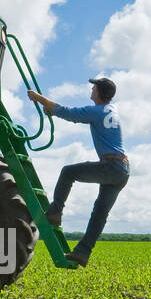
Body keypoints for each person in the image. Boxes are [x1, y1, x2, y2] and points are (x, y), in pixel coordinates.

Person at [26, 76, 129, 266]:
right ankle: (82, 253)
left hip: (111, 166)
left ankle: (55, 212)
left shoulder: (96, 112)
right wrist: (51, 110)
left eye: (94, 88)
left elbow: (68, 113)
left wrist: (39, 98)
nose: (91, 90)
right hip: (122, 171)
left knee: (68, 172)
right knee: (100, 214)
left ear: (100, 93)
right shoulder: (112, 110)